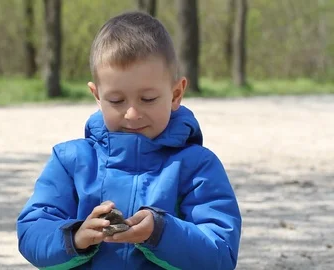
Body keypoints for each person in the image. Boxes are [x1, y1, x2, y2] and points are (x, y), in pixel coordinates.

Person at [17, 11, 242, 270]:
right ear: (97, 95)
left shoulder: (197, 166)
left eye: (148, 99)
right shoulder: (71, 161)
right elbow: (32, 231)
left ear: (175, 93)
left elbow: (220, 254)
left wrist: (160, 232)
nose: (132, 114)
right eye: (116, 100)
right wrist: (75, 237)